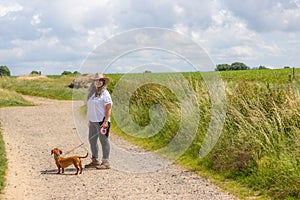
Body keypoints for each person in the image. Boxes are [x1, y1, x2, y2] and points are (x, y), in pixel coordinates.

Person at [85, 73, 112, 169]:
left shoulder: (105, 93)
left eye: (100, 80)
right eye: (96, 80)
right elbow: (90, 108)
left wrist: (105, 122)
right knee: (92, 141)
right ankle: (95, 160)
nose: (98, 82)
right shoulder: (92, 94)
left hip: (102, 121)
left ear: (103, 82)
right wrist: (89, 120)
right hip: (93, 121)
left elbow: (108, 108)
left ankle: (106, 162)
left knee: (103, 141)